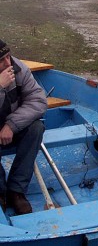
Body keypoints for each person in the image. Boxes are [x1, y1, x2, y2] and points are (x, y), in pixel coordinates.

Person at [0, 39, 47, 215]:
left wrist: (11, 125)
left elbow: (38, 100)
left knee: (36, 128)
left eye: (8, 56)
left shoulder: (18, 69)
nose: (8, 63)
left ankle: (16, 191)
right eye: (1, 60)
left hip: (11, 126)